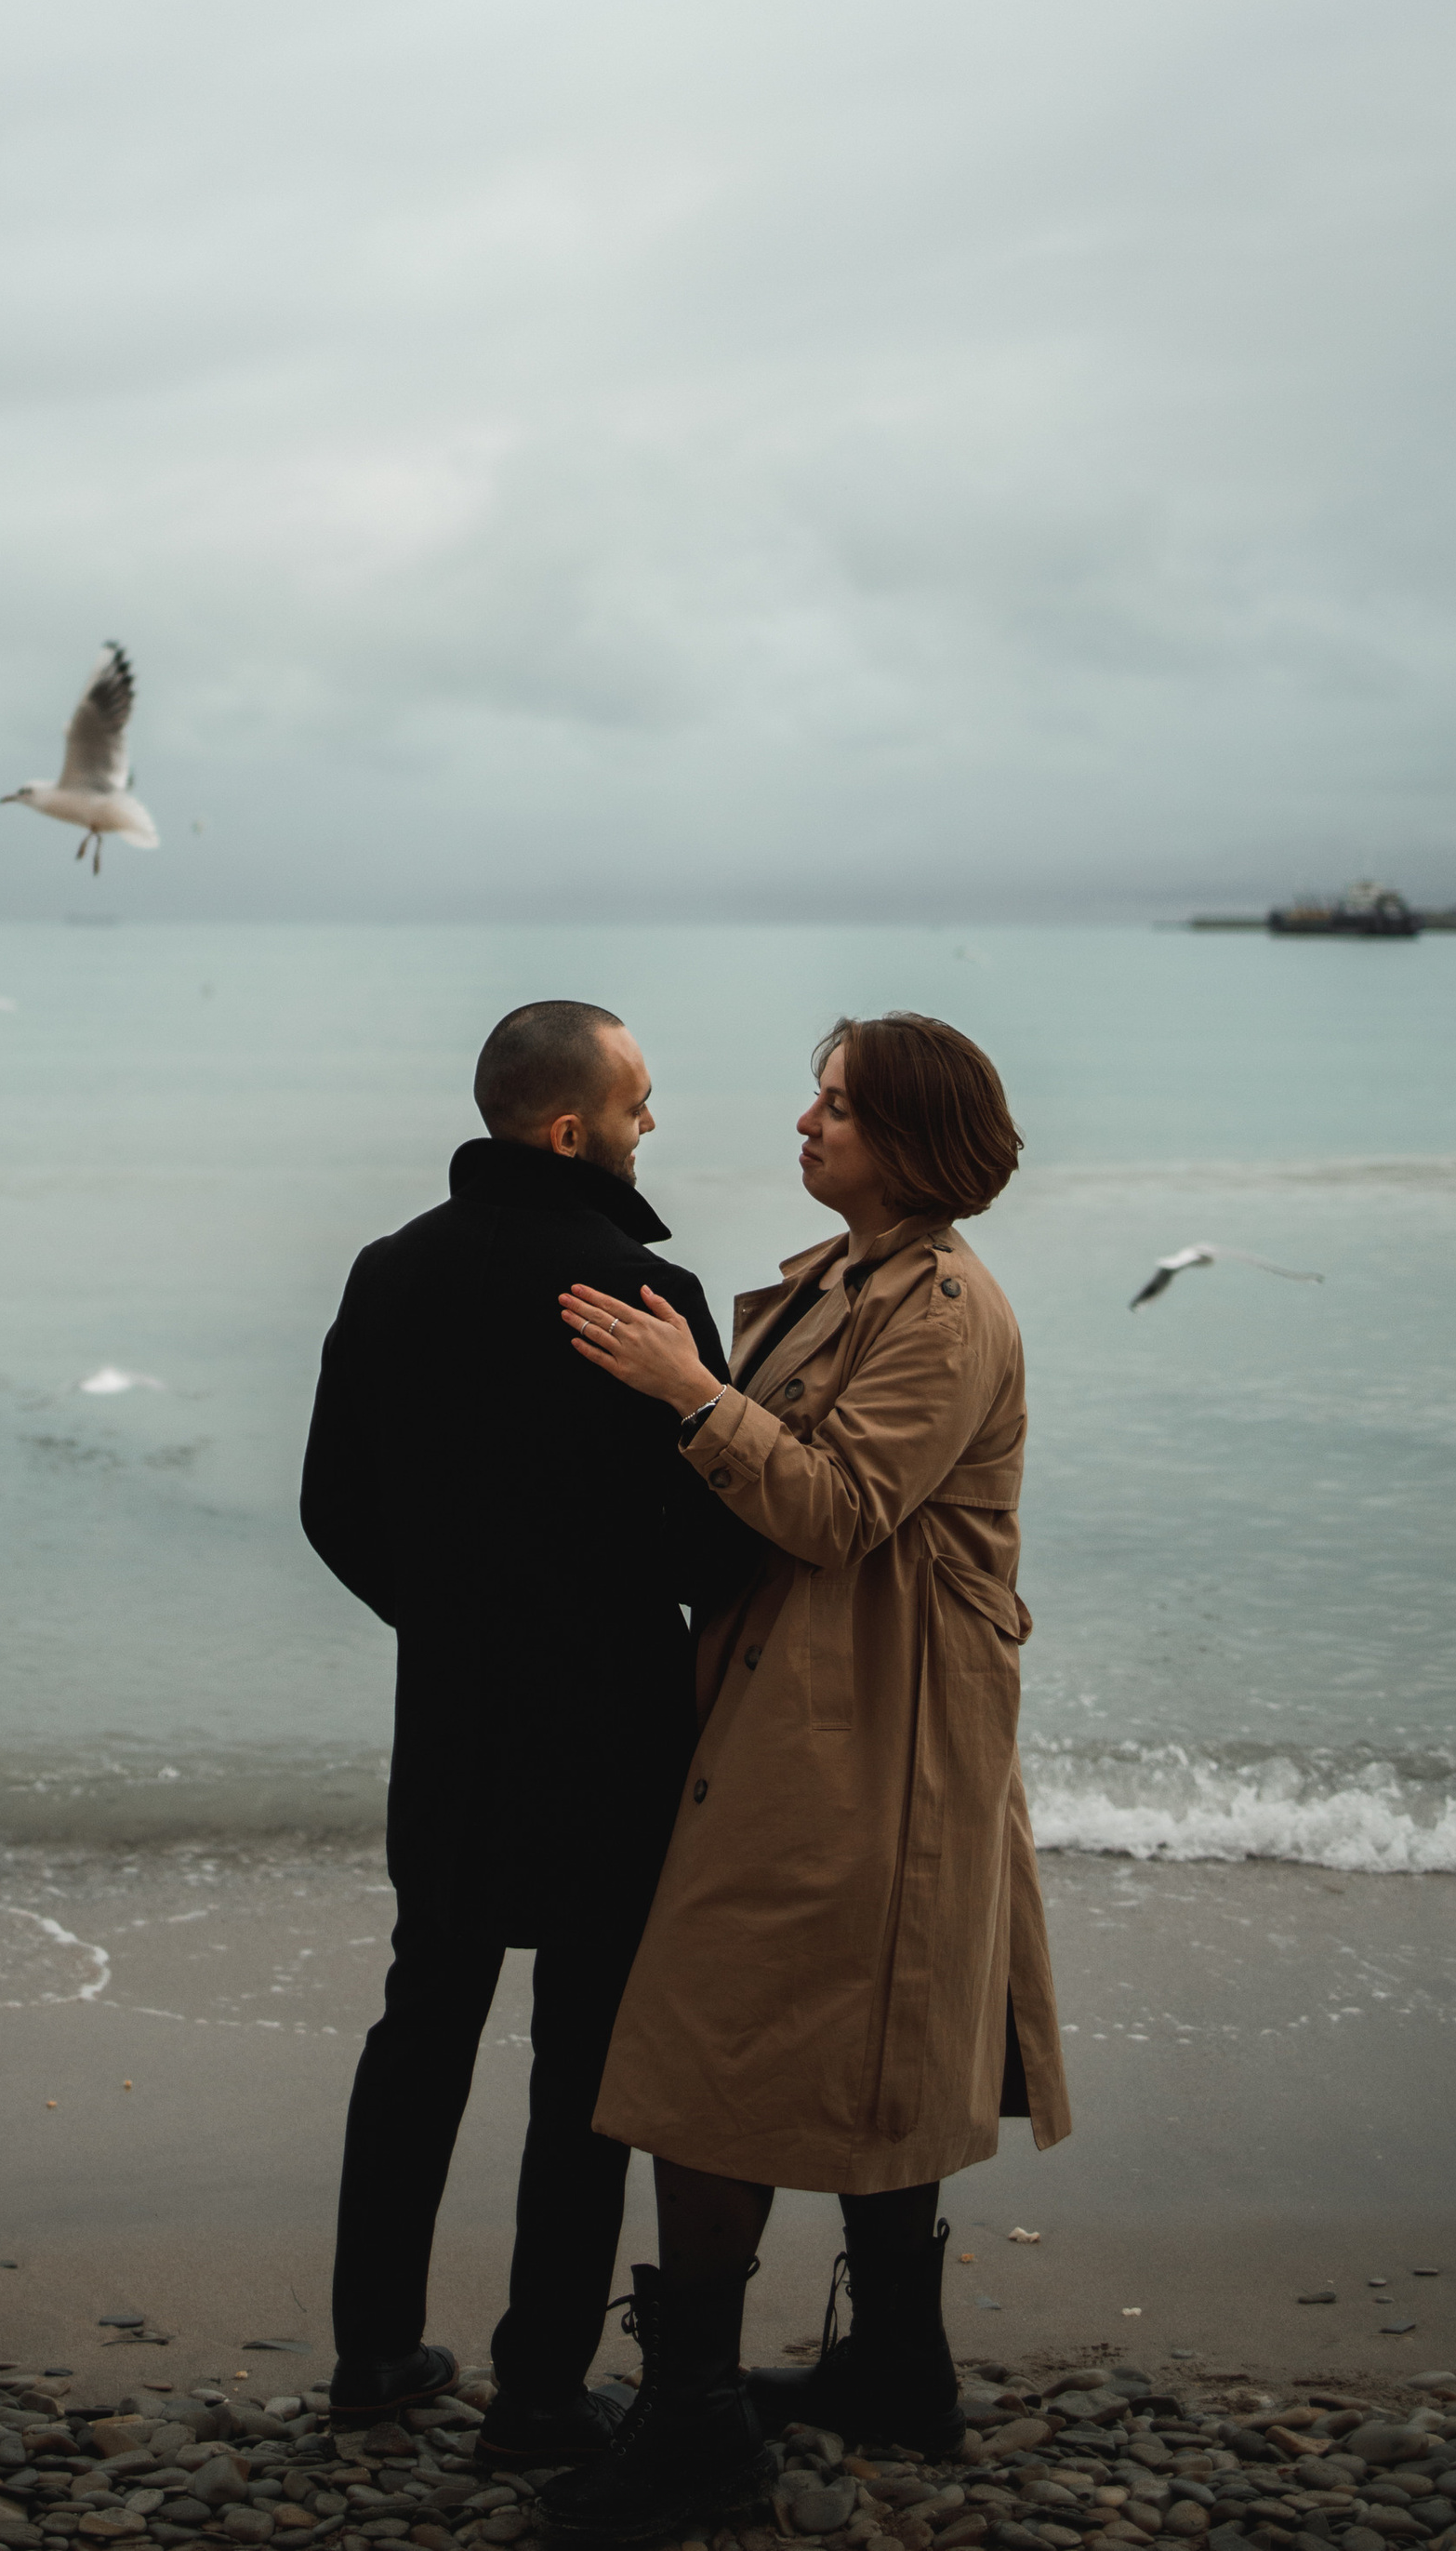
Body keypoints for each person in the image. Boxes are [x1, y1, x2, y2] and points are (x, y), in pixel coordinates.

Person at [546, 1011, 1071, 2545]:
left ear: (909, 1137)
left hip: (880, 1723)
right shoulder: (847, 1273)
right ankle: (900, 2365)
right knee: (865, 2035)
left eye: (836, 1107)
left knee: (726, 2046)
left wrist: (684, 1386)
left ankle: (698, 2419)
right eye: (817, 1099)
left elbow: (840, 1510)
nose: (805, 1121)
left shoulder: (949, 1312)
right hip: (827, 1705)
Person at [300, 999, 743, 2462]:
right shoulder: (647, 1294)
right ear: (572, 1128)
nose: (649, 1125)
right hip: (613, 1730)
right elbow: (717, 1548)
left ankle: (372, 2352)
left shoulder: (388, 1271)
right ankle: (541, 2391)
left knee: (422, 2020)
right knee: (583, 2063)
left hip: (450, 1720)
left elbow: (333, 1508)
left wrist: (446, 1620)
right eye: (638, 1103)